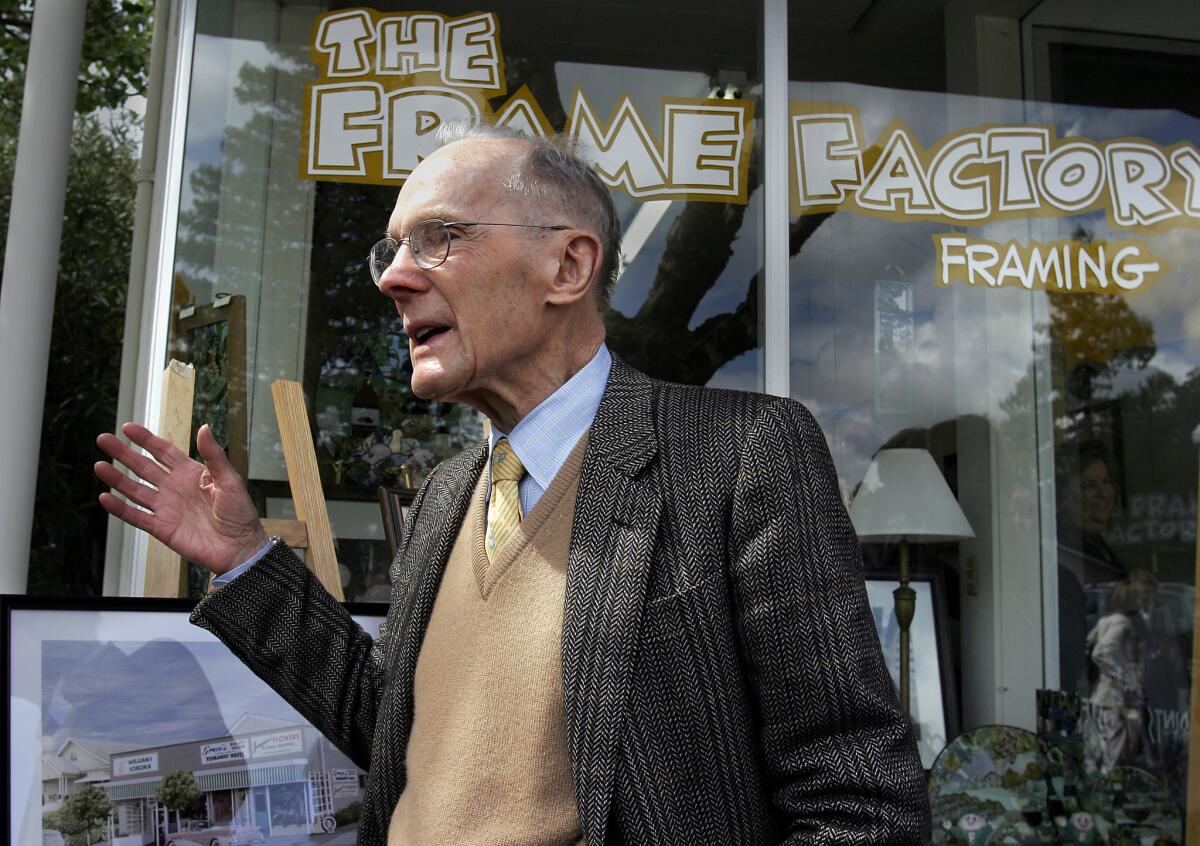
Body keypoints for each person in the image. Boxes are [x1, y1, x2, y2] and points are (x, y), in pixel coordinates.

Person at [96, 124, 927, 845]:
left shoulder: (740, 455)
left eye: (439, 238)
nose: (392, 278)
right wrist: (243, 558)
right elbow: (393, 731)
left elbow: (857, 799)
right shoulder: (447, 497)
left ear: (567, 265)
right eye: (391, 250)